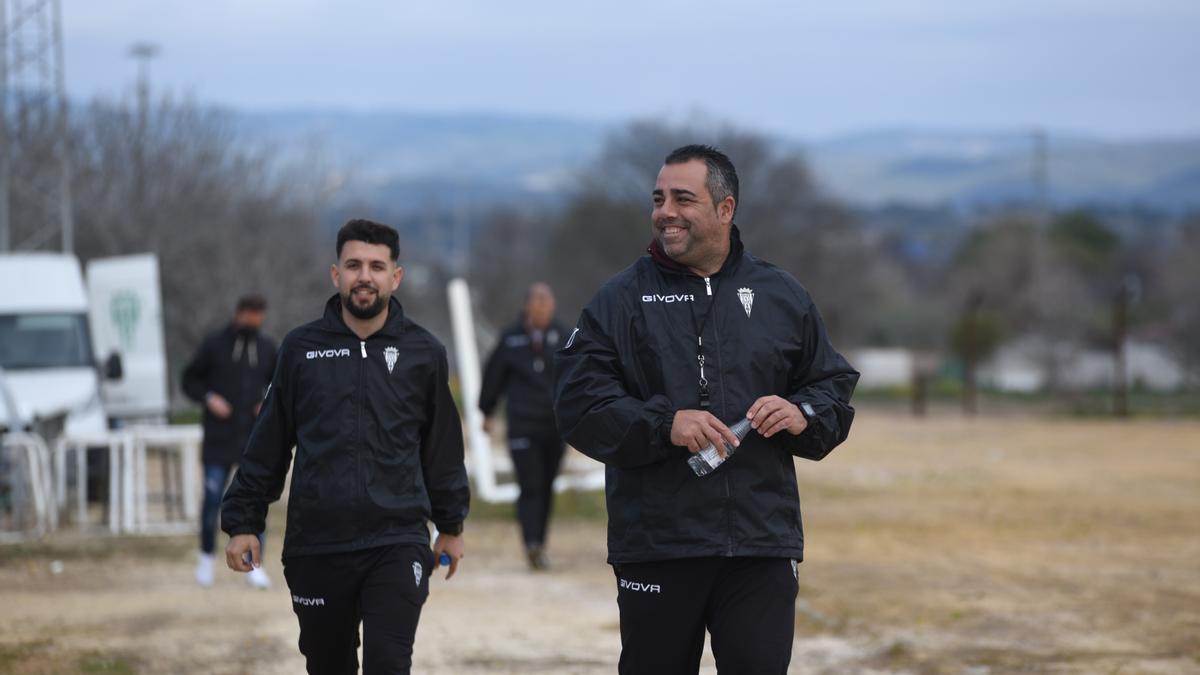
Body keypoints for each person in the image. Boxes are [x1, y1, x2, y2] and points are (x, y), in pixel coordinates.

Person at [553, 145, 859, 674]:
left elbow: (831, 384)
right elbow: (577, 403)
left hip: (761, 544)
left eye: (682, 198)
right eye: (659, 198)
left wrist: (803, 414)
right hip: (658, 545)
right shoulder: (620, 300)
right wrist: (664, 424)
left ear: (725, 208)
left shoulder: (781, 294)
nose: (665, 211)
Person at [221, 219, 470, 674]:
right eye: (354, 265)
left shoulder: (424, 353)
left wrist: (450, 524)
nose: (365, 276)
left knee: (387, 662)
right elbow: (269, 444)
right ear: (335, 274)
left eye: (377, 266)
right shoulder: (300, 349)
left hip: (397, 539)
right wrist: (243, 522)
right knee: (328, 665)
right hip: (317, 544)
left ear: (396, 277)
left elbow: (443, 448)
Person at [182, 294, 276, 590]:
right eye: (249, 314)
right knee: (212, 503)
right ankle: (206, 560)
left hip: (252, 441)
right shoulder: (214, 345)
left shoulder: (267, 348)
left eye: (258, 315)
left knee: (254, 504)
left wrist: (267, 402)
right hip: (218, 439)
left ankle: (254, 565)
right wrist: (210, 399)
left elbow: (279, 383)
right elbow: (189, 379)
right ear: (239, 313)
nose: (254, 320)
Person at [479, 282, 569, 570]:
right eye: (539, 300)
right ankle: (531, 542)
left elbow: (578, 376)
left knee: (546, 485)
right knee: (530, 485)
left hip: (555, 425)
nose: (544, 306)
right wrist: (487, 411)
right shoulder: (511, 338)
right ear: (528, 305)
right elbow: (493, 376)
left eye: (548, 300)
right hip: (522, 425)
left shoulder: (564, 336)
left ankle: (540, 543)